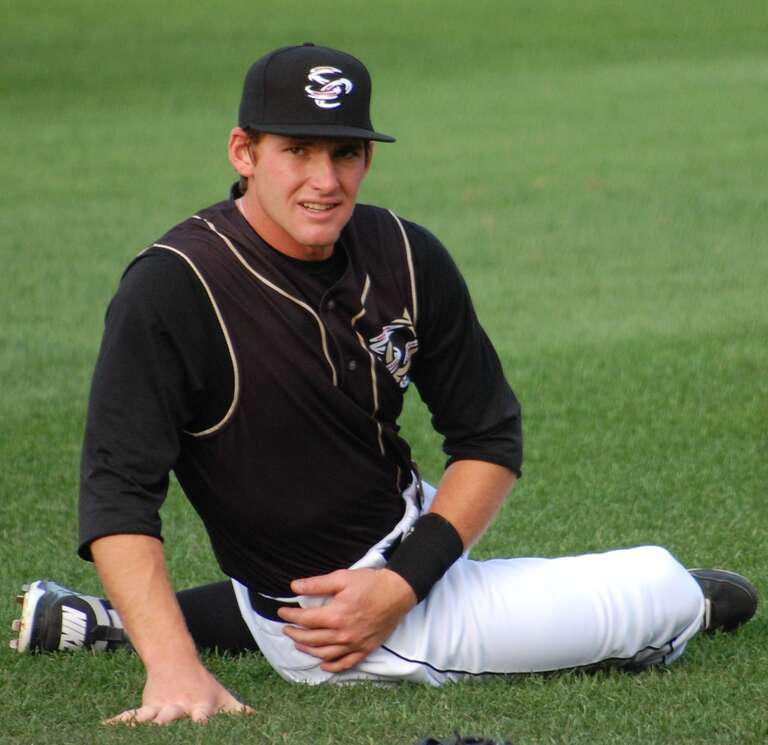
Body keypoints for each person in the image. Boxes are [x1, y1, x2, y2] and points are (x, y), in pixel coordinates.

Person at [11, 44, 757, 726]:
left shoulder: (402, 249)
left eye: (345, 152)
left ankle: (102, 621)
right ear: (245, 151)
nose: (324, 179)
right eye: (295, 150)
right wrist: (174, 671)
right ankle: (666, 610)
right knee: (664, 585)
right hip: (336, 627)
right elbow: (117, 494)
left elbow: (489, 435)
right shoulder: (174, 288)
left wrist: (405, 578)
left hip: (403, 553)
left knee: (455, 557)